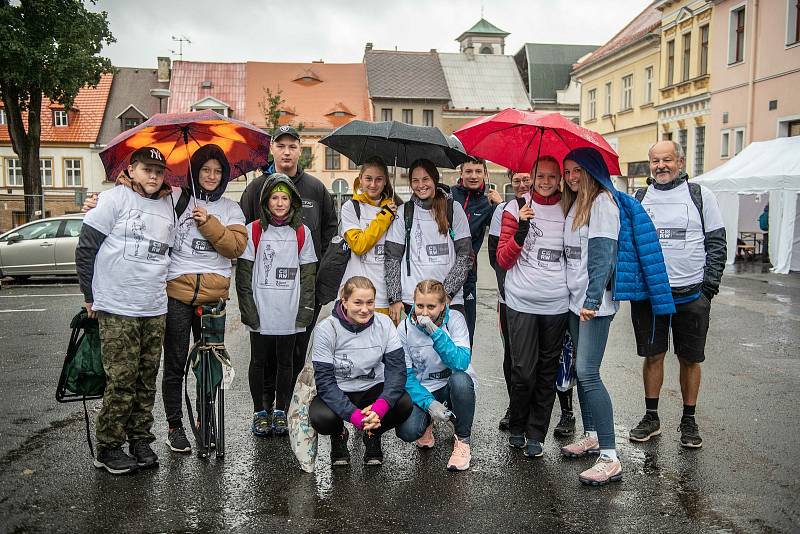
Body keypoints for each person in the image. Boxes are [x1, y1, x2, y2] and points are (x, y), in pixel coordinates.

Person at [76, 147, 175, 475]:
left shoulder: (168, 203)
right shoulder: (112, 199)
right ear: (131, 169)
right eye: (147, 169)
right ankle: (107, 446)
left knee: (147, 378)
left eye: (159, 171)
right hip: (118, 305)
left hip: (154, 305)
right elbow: (86, 247)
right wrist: (90, 296)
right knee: (122, 377)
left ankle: (140, 439)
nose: (154, 175)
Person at [629, 140, 726, 449]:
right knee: (653, 356)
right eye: (655, 161)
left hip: (691, 294)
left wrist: (707, 290)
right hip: (650, 295)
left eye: (667, 160)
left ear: (680, 162)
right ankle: (651, 417)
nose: (661, 166)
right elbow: (629, 246)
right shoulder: (640, 198)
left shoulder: (700, 196)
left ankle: (689, 419)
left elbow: (717, 244)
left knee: (689, 359)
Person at [240, 126, 338, 397]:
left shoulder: (316, 188)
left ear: (299, 151)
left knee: (296, 349)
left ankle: (289, 406)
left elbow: (331, 229)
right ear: (272, 149)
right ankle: (266, 405)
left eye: (292, 146)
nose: (286, 151)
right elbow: (242, 231)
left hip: (305, 286)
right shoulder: (256, 189)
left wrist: (322, 273)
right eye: (280, 145)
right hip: (266, 287)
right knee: (265, 352)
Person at [161, 145, 247, 453]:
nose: (211, 176)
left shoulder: (231, 208)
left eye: (217, 171)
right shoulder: (176, 198)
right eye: (205, 170)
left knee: (208, 366)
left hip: (213, 297)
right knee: (175, 363)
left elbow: (235, 247)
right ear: (195, 172)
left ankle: (205, 421)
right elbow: (141, 199)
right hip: (177, 293)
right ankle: (175, 427)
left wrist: (209, 223)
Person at [496, 156, 569, 459]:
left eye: (553, 176)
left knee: (546, 371)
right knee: (523, 369)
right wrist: (521, 231)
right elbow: (502, 259)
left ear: (559, 178)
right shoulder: (515, 208)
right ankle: (517, 424)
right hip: (522, 300)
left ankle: (537, 432)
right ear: (533, 176)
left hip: (557, 303)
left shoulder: (569, 206)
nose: (546, 181)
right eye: (541, 175)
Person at [558, 148, 622, 485]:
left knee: (587, 372)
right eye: (567, 171)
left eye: (577, 170)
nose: (570, 177)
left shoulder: (603, 205)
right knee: (582, 376)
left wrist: (593, 299)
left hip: (592, 305)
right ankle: (592, 434)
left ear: (592, 170)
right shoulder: (575, 207)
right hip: (573, 303)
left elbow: (603, 258)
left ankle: (610, 456)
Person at [236, 175, 317, 437]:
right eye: (274, 198)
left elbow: (307, 274)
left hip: (289, 310)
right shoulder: (253, 231)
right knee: (259, 361)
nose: (279, 203)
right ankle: (261, 411)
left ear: (292, 201)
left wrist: (305, 309)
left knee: (286, 361)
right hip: (261, 309)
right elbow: (244, 275)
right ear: (266, 202)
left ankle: (281, 410)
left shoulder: (302, 232)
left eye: (284, 198)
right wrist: (248, 309)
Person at [309, 276, 413, 466]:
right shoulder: (326, 329)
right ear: (344, 302)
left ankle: (373, 433)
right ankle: (339, 435)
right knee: (321, 418)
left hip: (373, 388)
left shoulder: (384, 324)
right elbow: (324, 382)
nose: (365, 309)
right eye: (358, 302)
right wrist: (354, 416)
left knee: (404, 403)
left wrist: (380, 408)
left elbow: (397, 371)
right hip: (340, 389)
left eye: (370, 302)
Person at [396, 279, 477, 471]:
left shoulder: (456, 320)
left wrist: (435, 333)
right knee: (408, 431)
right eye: (419, 306)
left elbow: (461, 362)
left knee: (461, 381)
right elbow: (405, 376)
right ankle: (427, 422)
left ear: (443, 305)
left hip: (451, 386)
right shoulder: (404, 328)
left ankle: (462, 441)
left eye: (431, 306)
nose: (424, 313)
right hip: (424, 390)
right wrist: (428, 403)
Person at [384, 158, 472, 325]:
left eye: (425, 179)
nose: (420, 185)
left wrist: (446, 293)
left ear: (434, 180)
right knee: (418, 351)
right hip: (413, 301)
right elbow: (391, 258)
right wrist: (394, 298)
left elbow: (465, 256)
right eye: (415, 180)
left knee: (449, 350)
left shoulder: (453, 209)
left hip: (449, 301)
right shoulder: (404, 212)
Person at [487, 170, 531, 431]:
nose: (522, 184)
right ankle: (514, 406)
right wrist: (507, 286)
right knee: (512, 355)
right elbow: (495, 255)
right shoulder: (503, 210)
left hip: (543, 297)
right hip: (509, 296)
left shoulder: (550, 205)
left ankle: (564, 410)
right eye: (517, 180)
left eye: (527, 180)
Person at [451, 158, 502, 344]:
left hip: (468, 274)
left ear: (484, 174)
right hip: (443, 268)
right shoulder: (449, 195)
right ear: (461, 173)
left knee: (466, 327)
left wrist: (500, 205)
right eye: (469, 171)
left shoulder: (487, 203)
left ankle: (464, 370)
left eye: (478, 171)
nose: (474, 176)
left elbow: (503, 231)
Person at [339, 156, 399, 317]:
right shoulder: (351, 207)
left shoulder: (395, 209)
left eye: (378, 179)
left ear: (386, 181)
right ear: (360, 179)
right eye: (368, 179)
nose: (373, 184)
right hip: (356, 296)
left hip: (385, 297)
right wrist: (384, 217)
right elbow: (359, 246)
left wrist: (396, 296)